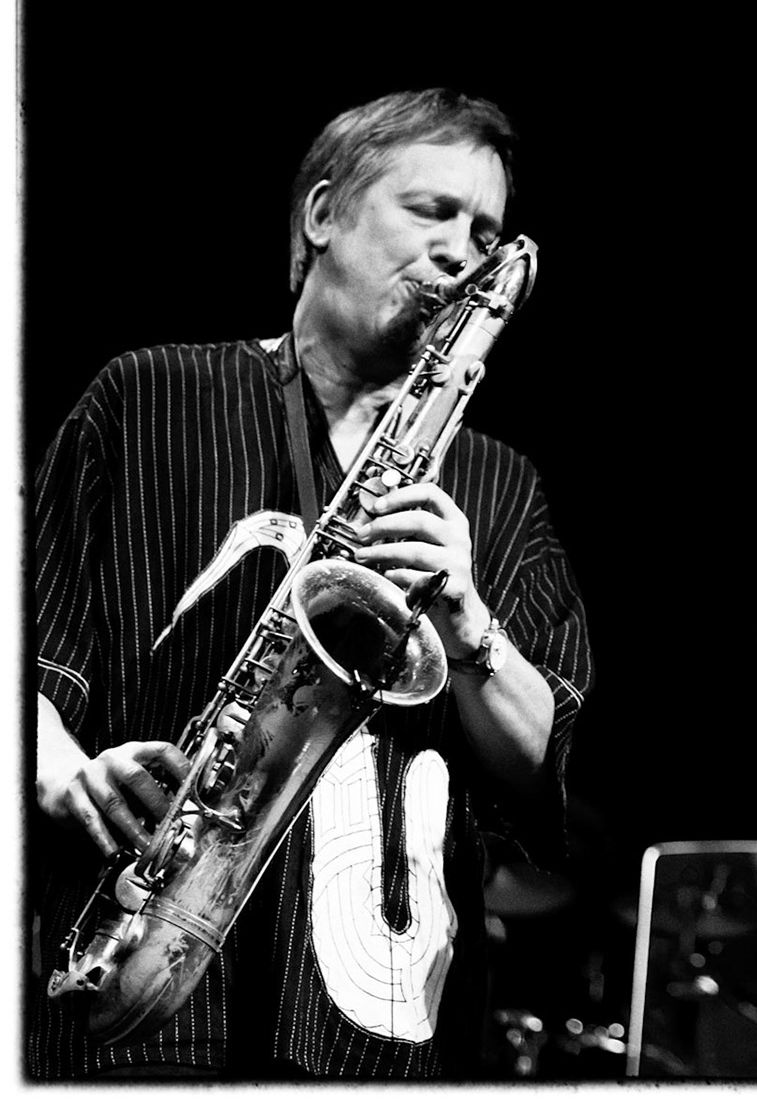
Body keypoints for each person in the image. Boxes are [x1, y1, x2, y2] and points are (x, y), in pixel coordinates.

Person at [26, 90, 597, 1079]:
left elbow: (541, 756)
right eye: (431, 210)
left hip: (389, 1040)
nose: (461, 250)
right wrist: (66, 770)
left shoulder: (499, 485)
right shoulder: (151, 396)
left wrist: (468, 622)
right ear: (323, 213)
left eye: (485, 229)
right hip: (145, 1003)